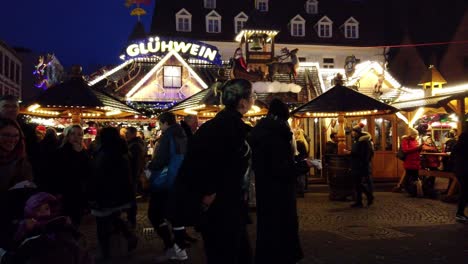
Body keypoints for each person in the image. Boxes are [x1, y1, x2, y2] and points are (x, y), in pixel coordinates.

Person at [174, 79, 255, 264]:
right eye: (252, 96)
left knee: (234, 252)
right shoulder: (227, 127)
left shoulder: (220, 125)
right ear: (242, 102)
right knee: (226, 254)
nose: (253, 100)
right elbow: (209, 162)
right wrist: (209, 191)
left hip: (229, 205)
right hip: (222, 207)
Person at [249, 98, 309, 264]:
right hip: (281, 192)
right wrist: (304, 166)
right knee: (283, 229)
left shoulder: (259, 131)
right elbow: (283, 169)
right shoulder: (278, 134)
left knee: (267, 228)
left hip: (264, 190)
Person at [1, 192, 93, 264]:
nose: (44, 213)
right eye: (38, 210)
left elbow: (81, 252)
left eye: (46, 208)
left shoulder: (61, 227)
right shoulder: (26, 236)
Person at [89, 127, 138, 260]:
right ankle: (129, 236)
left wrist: (93, 195)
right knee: (113, 217)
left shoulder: (105, 153)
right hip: (119, 195)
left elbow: (98, 176)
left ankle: (105, 254)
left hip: (105, 195)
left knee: (102, 225)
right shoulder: (123, 151)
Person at [147, 112, 189, 261]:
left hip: (165, 182)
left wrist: (149, 166)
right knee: (175, 215)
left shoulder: (167, 136)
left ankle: (172, 246)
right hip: (179, 181)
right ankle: (180, 249)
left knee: (154, 214)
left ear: (164, 123)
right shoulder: (183, 134)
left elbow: (160, 161)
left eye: (160, 123)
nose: (160, 126)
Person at [50, 125, 90, 227]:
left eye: (80, 134)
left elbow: (87, 172)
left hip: (79, 193)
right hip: (65, 193)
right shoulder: (60, 152)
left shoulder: (84, 152)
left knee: (76, 222)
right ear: (67, 136)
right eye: (73, 134)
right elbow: (57, 173)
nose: (76, 137)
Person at [348, 123, 374, 208]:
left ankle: (368, 196)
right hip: (357, 165)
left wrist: (350, 153)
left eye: (354, 132)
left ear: (357, 132)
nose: (352, 133)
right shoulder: (358, 140)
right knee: (357, 184)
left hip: (360, 166)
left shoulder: (363, 141)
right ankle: (359, 201)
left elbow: (362, 154)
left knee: (359, 183)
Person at [125, 126, 146, 229]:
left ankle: (131, 219)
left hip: (132, 175)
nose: (126, 134)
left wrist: (135, 175)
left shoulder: (135, 146)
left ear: (133, 133)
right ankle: (130, 218)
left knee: (131, 198)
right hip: (133, 175)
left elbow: (135, 163)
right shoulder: (136, 144)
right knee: (130, 197)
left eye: (127, 133)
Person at [452, 132, 468, 222]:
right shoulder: (465, 147)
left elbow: (451, 158)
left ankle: (460, 212)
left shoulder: (457, 146)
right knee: (465, 192)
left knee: (464, 191)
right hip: (465, 171)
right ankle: (460, 213)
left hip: (459, 171)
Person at [401, 128, 422, 197]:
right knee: (409, 176)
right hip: (409, 161)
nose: (416, 136)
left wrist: (419, 149)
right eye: (415, 134)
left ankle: (414, 191)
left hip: (416, 161)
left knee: (415, 177)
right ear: (411, 134)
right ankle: (409, 190)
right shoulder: (406, 140)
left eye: (417, 134)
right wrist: (417, 148)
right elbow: (405, 150)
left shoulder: (415, 141)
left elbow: (416, 150)